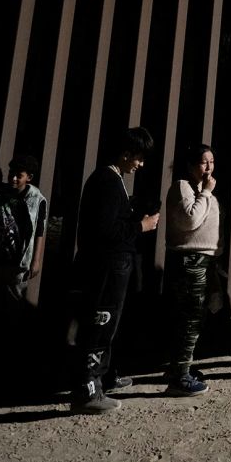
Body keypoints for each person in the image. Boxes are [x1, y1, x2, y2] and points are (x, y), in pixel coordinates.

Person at [67, 127, 160, 414]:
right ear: (126, 153)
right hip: (107, 267)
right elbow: (105, 230)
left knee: (106, 325)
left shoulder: (110, 179)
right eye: (139, 158)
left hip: (112, 266)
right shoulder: (107, 180)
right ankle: (87, 390)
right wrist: (140, 226)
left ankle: (101, 380)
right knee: (100, 324)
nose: (140, 164)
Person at [162, 144, 221, 396]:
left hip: (204, 260)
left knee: (196, 317)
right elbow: (190, 220)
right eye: (203, 162)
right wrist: (206, 194)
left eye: (211, 161)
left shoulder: (199, 190)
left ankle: (181, 367)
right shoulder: (182, 188)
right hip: (189, 260)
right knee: (190, 317)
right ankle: (180, 375)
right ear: (190, 165)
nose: (208, 167)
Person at [0, 155, 47, 317]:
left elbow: (39, 231)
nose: (13, 179)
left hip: (17, 262)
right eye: (11, 174)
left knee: (14, 305)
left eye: (19, 176)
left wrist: (36, 261)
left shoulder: (36, 200)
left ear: (29, 177)